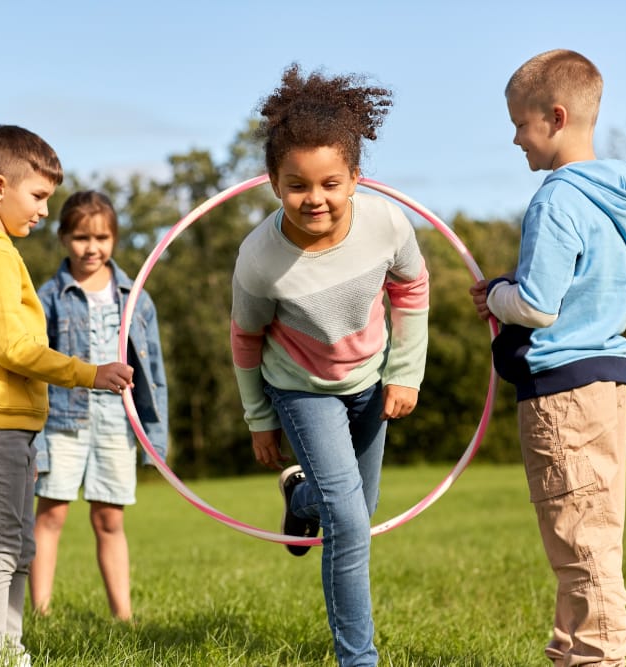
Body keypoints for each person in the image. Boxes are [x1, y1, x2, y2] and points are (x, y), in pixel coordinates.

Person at [230, 64, 430, 667]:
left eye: (330, 183)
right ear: (272, 182)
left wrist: (405, 372)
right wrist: (259, 418)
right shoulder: (260, 258)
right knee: (348, 519)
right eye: (297, 186)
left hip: (370, 378)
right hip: (298, 387)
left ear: (355, 179)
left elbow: (412, 291)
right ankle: (358, 658)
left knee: (355, 512)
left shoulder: (387, 224)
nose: (314, 198)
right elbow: (245, 340)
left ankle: (300, 501)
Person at [0, 125, 134, 666]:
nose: (44, 211)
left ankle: (9, 650)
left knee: (19, 548)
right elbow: (15, 349)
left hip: (7, 421)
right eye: (37, 196)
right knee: (0, 549)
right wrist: (90, 373)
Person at [470, 49, 626, 666]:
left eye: (521, 123)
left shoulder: (556, 200)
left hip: (562, 394)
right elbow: (575, 287)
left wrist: (496, 295)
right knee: (592, 528)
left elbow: (539, 307)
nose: (515, 138)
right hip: (604, 386)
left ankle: (598, 658)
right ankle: (571, 653)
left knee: (579, 538)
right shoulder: (613, 196)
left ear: (556, 116)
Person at [28, 190, 168, 621]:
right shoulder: (49, 296)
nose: (92, 248)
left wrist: (154, 435)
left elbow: (155, 370)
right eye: (81, 237)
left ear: (115, 239)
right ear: (63, 238)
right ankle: (41, 613)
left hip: (116, 423)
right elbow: (32, 360)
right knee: (50, 516)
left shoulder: (135, 297)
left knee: (110, 519)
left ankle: (122, 616)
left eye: (102, 237)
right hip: (61, 421)